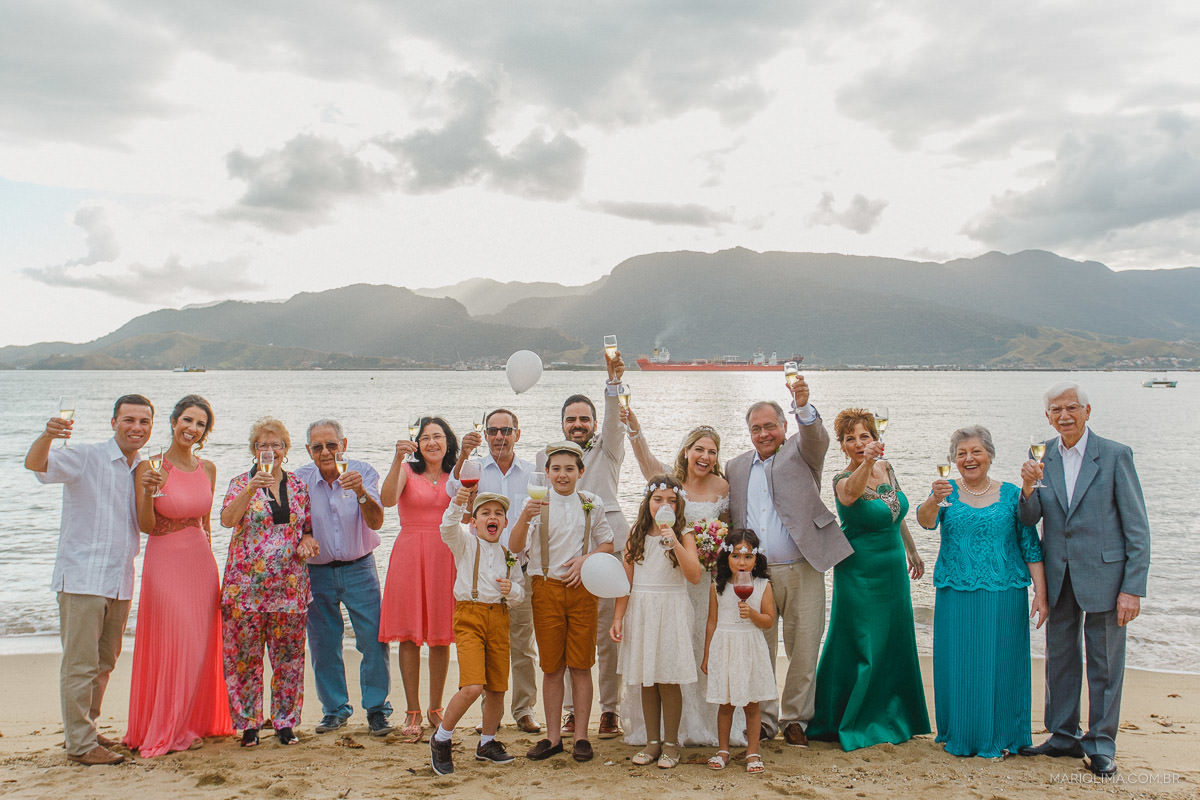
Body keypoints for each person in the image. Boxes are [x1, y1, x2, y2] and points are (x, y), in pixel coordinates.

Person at [1017, 382, 1151, 778]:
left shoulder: (1114, 455)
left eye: (1071, 408)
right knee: (1059, 659)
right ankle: (1062, 736)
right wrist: (1026, 487)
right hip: (1059, 577)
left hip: (1107, 577)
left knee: (1105, 662)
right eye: (1056, 409)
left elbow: (1137, 529)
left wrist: (1132, 587)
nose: (1064, 416)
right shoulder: (1040, 454)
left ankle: (1101, 743)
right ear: (1047, 416)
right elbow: (1029, 519)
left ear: (1087, 411)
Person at [25, 394, 155, 765]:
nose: (136, 428)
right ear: (113, 422)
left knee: (104, 663)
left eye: (143, 422)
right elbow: (36, 466)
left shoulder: (144, 468)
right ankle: (80, 746)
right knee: (79, 664)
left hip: (120, 580)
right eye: (129, 420)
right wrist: (48, 435)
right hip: (82, 578)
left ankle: (87, 729)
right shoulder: (86, 456)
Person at [725, 373, 852, 745]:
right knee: (758, 647)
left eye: (770, 426)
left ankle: (796, 719)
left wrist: (802, 406)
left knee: (804, 644)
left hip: (803, 565)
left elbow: (817, 436)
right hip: (755, 574)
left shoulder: (802, 450)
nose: (763, 434)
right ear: (748, 432)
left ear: (784, 426)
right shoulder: (735, 467)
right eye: (755, 428)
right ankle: (763, 720)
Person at [916, 425, 1048, 757]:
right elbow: (925, 521)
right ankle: (960, 733)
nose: (969, 458)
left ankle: (1005, 735)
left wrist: (1041, 594)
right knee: (959, 665)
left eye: (976, 451)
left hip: (1005, 594)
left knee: (1004, 664)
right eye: (961, 454)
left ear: (989, 454)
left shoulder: (1011, 493)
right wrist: (934, 497)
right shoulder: (946, 495)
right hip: (956, 594)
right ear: (953, 460)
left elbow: (1030, 547)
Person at [806, 408, 929, 750]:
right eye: (850, 439)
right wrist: (864, 463)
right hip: (859, 572)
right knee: (862, 641)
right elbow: (851, 496)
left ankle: (896, 715)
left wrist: (912, 550)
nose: (859, 443)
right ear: (843, 446)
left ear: (875, 438)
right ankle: (847, 718)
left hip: (892, 568)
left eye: (865, 436)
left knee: (893, 639)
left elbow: (897, 512)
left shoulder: (887, 468)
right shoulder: (842, 479)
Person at [125, 395, 232, 756]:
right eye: (187, 420)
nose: (192, 428)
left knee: (201, 646)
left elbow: (206, 524)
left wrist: (214, 565)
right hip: (165, 560)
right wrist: (146, 491)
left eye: (200, 424)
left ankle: (193, 721)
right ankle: (168, 727)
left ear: (206, 431)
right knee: (178, 644)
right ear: (173, 422)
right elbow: (145, 525)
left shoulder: (209, 469)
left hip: (201, 563)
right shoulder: (151, 467)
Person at [620, 409, 732, 746]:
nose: (705, 456)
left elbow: (726, 529)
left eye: (712, 451)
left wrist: (714, 549)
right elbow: (643, 459)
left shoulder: (722, 485)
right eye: (699, 449)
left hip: (702, 580)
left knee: (700, 648)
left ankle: (703, 724)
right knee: (667, 651)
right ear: (686, 451)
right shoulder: (670, 482)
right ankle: (667, 733)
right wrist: (635, 427)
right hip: (667, 582)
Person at [537, 352, 628, 740]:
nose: (578, 424)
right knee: (569, 636)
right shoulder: (549, 458)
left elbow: (613, 419)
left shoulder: (608, 447)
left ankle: (610, 710)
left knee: (607, 634)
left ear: (593, 423)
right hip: (564, 555)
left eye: (584, 419)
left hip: (606, 548)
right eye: (571, 419)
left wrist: (612, 385)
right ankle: (572, 715)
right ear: (562, 425)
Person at [510, 441, 615, 763]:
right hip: (545, 589)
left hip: (582, 590)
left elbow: (608, 543)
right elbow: (515, 547)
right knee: (552, 667)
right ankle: (553, 737)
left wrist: (586, 560)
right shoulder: (535, 504)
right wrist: (525, 518)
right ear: (547, 473)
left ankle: (581, 735)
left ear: (581, 472)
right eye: (556, 469)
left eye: (569, 469)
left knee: (581, 665)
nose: (562, 474)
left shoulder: (591, 503)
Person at [219, 417, 318, 748]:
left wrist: (307, 541)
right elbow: (227, 520)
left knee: (289, 660)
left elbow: (306, 527)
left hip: (290, 588)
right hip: (245, 590)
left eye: (277, 445)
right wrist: (250, 489)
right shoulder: (238, 483)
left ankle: (285, 723)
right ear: (253, 450)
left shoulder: (299, 487)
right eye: (263, 445)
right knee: (244, 659)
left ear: (286, 450)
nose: (270, 450)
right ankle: (248, 724)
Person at [295, 419, 392, 737]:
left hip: (359, 567)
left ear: (344, 444)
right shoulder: (300, 480)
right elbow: (294, 525)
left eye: (331, 445)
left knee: (373, 640)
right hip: (316, 570)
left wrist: (361, 492)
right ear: (309, 450)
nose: (326, 452)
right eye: (318, 447)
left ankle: (377, 710)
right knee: (323, 644)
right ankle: (335, 709)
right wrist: (304, 537)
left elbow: (377, 522)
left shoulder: (362, 472)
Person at [447, 408, 541, 734]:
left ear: (518, 433)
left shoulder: (531, 473)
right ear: (485, 435)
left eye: (506, 430)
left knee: (523, 644)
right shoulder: (474, 468)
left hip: (520, 567)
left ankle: (525, 709)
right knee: (489, 646)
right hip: (483, 570)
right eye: (493, 430)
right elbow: (451, 494)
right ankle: (492, 717)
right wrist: (462, 454)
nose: (499, 436)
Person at [609, 476, 702, 769]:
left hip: (671, 608)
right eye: (658, 500)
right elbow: (627, 581)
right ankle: (652, 741)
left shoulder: (684, 534)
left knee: (668, 678)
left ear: (679, 505)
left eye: (671, 501)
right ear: (647, 503)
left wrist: (672, 540)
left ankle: (671, 743)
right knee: (647, 678)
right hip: (642, 609)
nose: (664, 505)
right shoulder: (635, 534)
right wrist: (618, 617)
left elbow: (694, 575)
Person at [429, 489, 525, 774]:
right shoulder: (465, 544)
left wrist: (513, 590)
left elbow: (520, 593)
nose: (492, 517)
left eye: (498, 514)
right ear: (475, 521)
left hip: (499, 618)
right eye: (485, 513)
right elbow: (447, 527)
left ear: (505, 523)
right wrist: (458, 502)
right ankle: (442, 737)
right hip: (470, 616)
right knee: (473, 686)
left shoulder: (510, 555)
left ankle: (487, 742)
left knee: (496, 688)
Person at [379, 416, 459, 738]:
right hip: (410, 553)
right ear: (417, 443)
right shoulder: (408, 471)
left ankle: (435, 708)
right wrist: (396, 459)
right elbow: (386, 500)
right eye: (425, 437)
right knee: (410, 635)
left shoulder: (456, 474)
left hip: (445, 554)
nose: (431, 443)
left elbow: (467, 515)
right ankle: (412, 710)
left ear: (447, 441)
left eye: (437, 436)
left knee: (441, 635)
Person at [702, 530, 777, 775]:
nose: (741, 563)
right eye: (736, 556)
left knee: (751, 704)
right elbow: (712, 622)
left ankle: (752, 751)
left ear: (756, 559)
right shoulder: (718, 586)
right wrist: (706, 655)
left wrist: (753, 614)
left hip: (749, 647)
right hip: (724, 646)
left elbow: (769, 621)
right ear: (727, 557)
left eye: (747, 557)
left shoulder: (762, 586)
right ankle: (723, 749)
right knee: (725, 704)